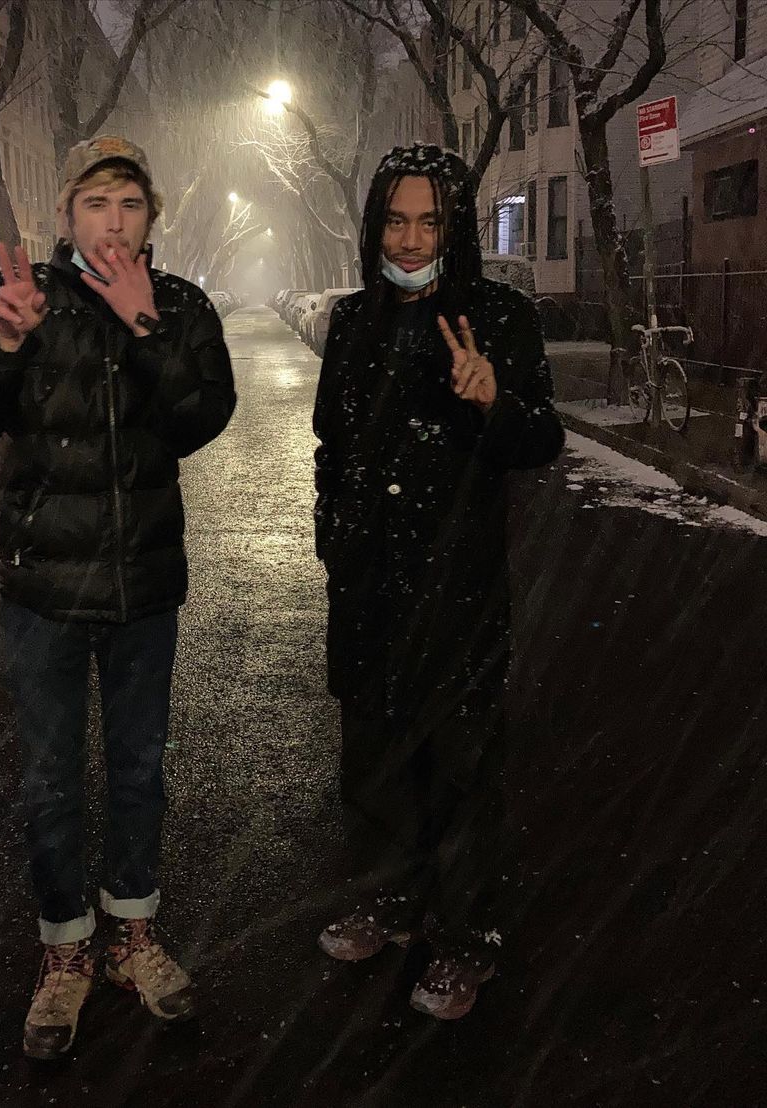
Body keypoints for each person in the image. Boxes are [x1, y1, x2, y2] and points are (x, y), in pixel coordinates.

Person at [0, 136, 236, 1058]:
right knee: (51, 778)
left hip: (143, 586)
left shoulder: (180, 305)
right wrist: (4, 344)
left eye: (130, 204)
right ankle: (65, 949)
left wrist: (147, 331)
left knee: (139, 770)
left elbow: (203, 419)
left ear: (151, 217)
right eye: (96, 202)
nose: (113, 221)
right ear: (66, 214)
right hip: (42, 591)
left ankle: (133, 935)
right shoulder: (9, 297)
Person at [312, 143, 564, 1020]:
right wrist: (335, 539)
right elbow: (332, 443)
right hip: (368, 586)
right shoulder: (353, 321)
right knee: (374, 758)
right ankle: (388, 901)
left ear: (454, 230)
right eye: (396, 220)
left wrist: (493, 400)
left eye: (429, 222)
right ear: (374, 226)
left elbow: (539, 439)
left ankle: (466, 938)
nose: (411, 240)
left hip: (458, 587)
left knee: (460, 766)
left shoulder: (500, 317)